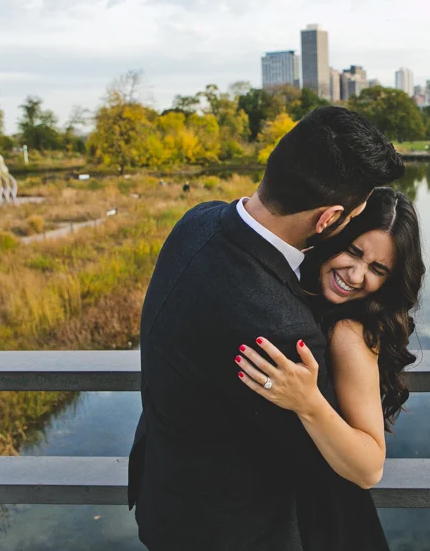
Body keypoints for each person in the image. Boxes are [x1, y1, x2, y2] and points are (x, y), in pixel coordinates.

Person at [128, 106, 405, 551]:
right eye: (352, 219)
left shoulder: (196, 221)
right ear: (328, 219)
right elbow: (353, 468)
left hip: (166, 504)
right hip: (234, 533)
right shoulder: (280, 332)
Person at [236, 188, 424, 551]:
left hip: (327, 522)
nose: (355, 275)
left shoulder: (349, 333)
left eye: (377, 270)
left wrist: (308, 402)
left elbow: (370, 468)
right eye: (354, 251)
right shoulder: (300, 289)